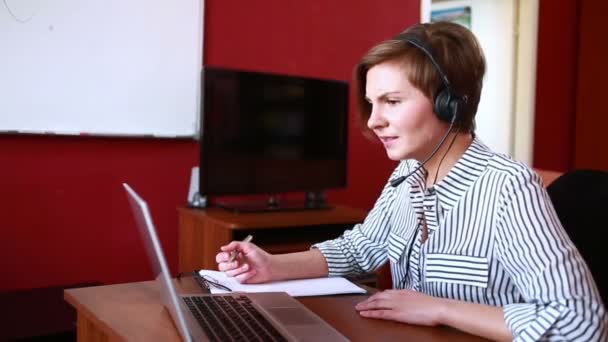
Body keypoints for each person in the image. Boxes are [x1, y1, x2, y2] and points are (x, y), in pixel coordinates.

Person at [215, 21, 607, 341]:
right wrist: (272, 267)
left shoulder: (508, 188)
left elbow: (582, 323)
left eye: (392, 101)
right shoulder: (408, 174)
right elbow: (362, 247)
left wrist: (439, 308)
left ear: (449, 103)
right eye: (372, 103)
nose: (373, 120)